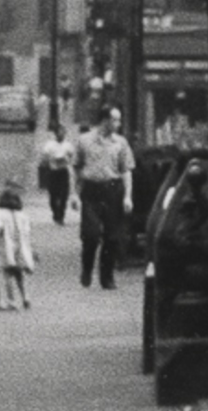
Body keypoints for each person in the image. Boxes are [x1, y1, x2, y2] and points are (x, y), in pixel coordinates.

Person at [73, 104, 136, 290]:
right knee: (91, 235)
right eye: (115, 119)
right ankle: (87, 269)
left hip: (112, 191)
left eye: (119, 119)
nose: (118, 123)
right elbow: (76, 168)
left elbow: (126, 171)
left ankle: (106, 277)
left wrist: (127, 196)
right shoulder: (84, 141)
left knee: (112, 237)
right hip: (91, 190)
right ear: (105, 120)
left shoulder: (121, 143)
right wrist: (73, 195)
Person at [0, 184, 37, 309]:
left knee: (7, 275)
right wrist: (32, 250)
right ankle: (25, 297)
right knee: (19, 275)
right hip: (21, 248)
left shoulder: (0, 214)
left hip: (7, 248)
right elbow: (27, 234)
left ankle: (11, 300)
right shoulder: (23, 215)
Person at [37, 127, 73, 226]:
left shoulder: (68, 145)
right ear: (55, 134)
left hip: (63, 172)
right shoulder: (49, 145)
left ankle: (61, 215)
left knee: (64, 195)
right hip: (53, 172)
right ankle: (55, 213)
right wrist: (50, 160)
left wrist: (65, 159)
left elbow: (71, 156)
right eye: (59, 133)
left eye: (63, 133)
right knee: (53, 194)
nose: (61, 135)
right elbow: (44, 157)